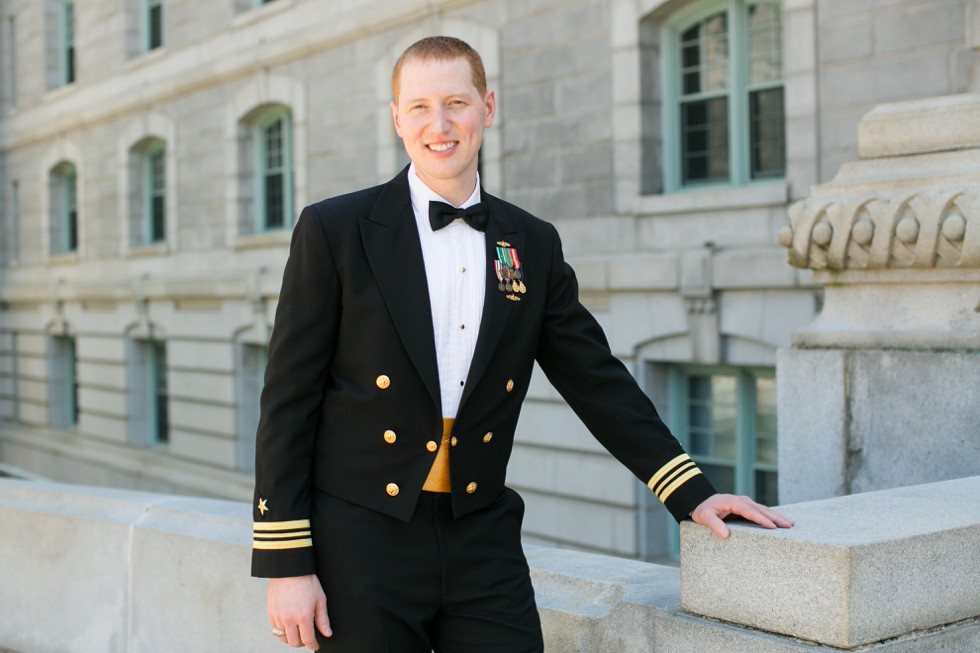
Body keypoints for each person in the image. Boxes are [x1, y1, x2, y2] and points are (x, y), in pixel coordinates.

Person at [251, 35, 793, 652]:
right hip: (360, 537)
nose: (440, 124)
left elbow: (595, 377)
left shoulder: (529, 243)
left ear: (487, 107)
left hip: (479, 533)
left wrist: (691, 492)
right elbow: (289, 398)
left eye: (456, 102)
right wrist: (286, 562)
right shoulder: (336, 229)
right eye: (421, 106)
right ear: (398, 117)